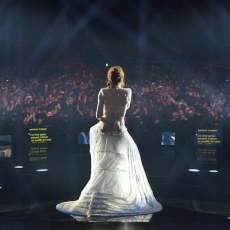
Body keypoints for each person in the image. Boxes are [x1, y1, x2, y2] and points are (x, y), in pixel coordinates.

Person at [56, 66, 162, 217]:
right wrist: (116, 119)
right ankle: (119, 195)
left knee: (104, 165)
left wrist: (109, 118)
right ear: (122, 77)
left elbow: (99, 115)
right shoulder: (128, 92)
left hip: (104, 130)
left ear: (109, 78)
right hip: (119, 131)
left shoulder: (103, 91)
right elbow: (125, 110)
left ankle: (99, 194)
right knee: (119, 163)